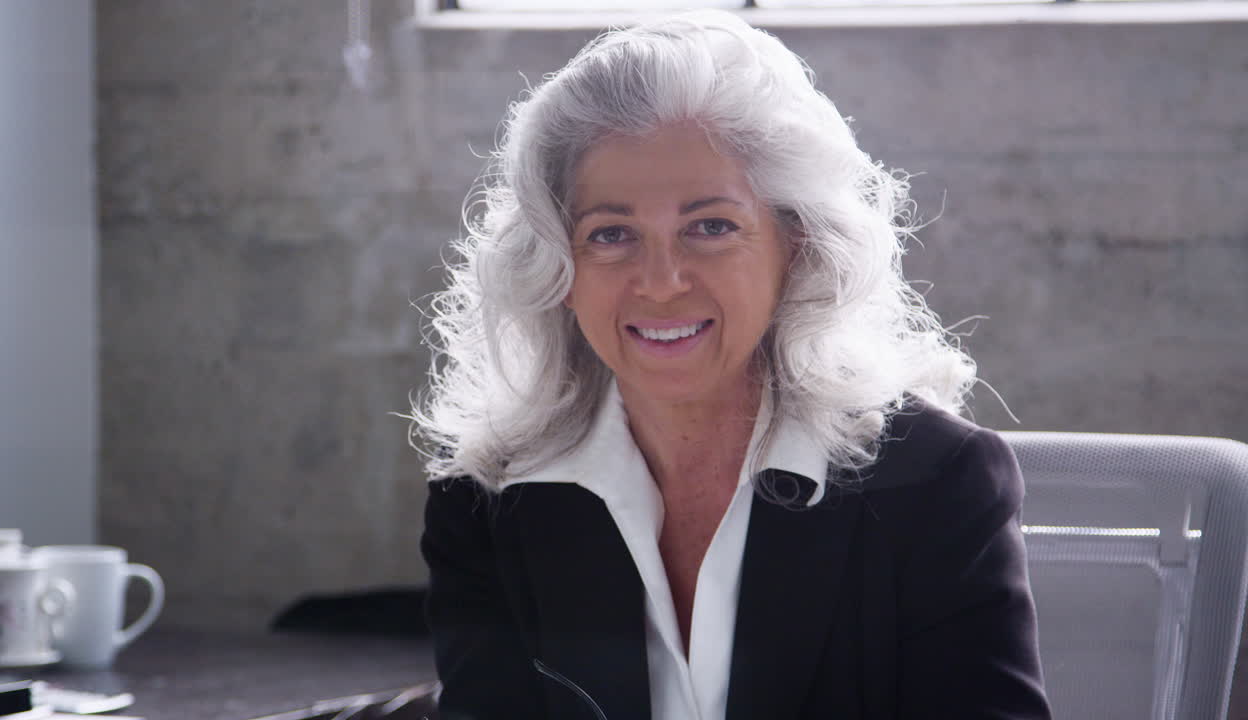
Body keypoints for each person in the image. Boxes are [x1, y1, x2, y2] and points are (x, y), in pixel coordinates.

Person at [413, 9, 1051, 720]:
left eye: (710, 227)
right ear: (557, 266)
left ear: (797, 247)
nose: (661, 281)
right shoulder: (487, 503)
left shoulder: (938, 484)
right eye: (612, 233)